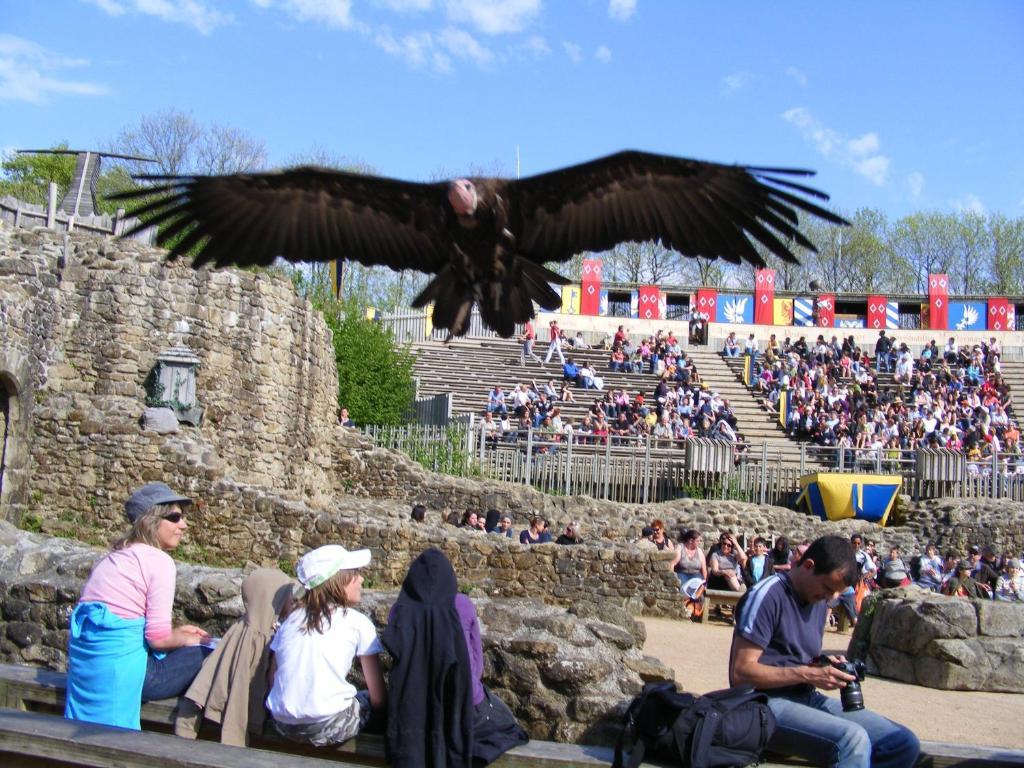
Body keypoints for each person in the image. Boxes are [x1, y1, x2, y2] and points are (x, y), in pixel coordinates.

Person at [730, 535, 920, 768]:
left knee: (901, 742)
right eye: (828, 588)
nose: (830, 598)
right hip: (760, 704)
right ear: (808, 566)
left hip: (804, 696)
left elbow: (793, 657)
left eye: (836, 593)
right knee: (851, 739)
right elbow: (740, 673)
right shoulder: (767, 595)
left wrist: (822, 664)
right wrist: (807, 674)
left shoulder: (819, 599)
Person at [65, 482, 212, 730]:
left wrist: (177, 633)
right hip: (123, 675)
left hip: (87, 674)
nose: (183, 525)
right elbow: (157, 639)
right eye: (175, 517)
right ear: (152, 521)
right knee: (210, 652)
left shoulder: (113, 558)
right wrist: (189, 640)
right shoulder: (159, 562)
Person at [383, 549, 528, 767]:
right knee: (507, 722)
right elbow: (477, 667)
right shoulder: (462, 605)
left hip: (411, 711)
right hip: (463, 706)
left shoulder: (399, 610)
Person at [266, 545, 386, 746]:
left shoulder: (290, 621)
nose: (361, 579)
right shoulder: (357, 623)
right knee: (365, 698)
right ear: (338, 581)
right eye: (355, 573)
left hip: (282, 723)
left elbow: (272, 677)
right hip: (329, 726)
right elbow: (378, 698)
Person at [175, 568, 295, 746]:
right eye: (289, 595)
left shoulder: (240, 629)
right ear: (275, 598)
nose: (293, 600)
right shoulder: (262, 637)